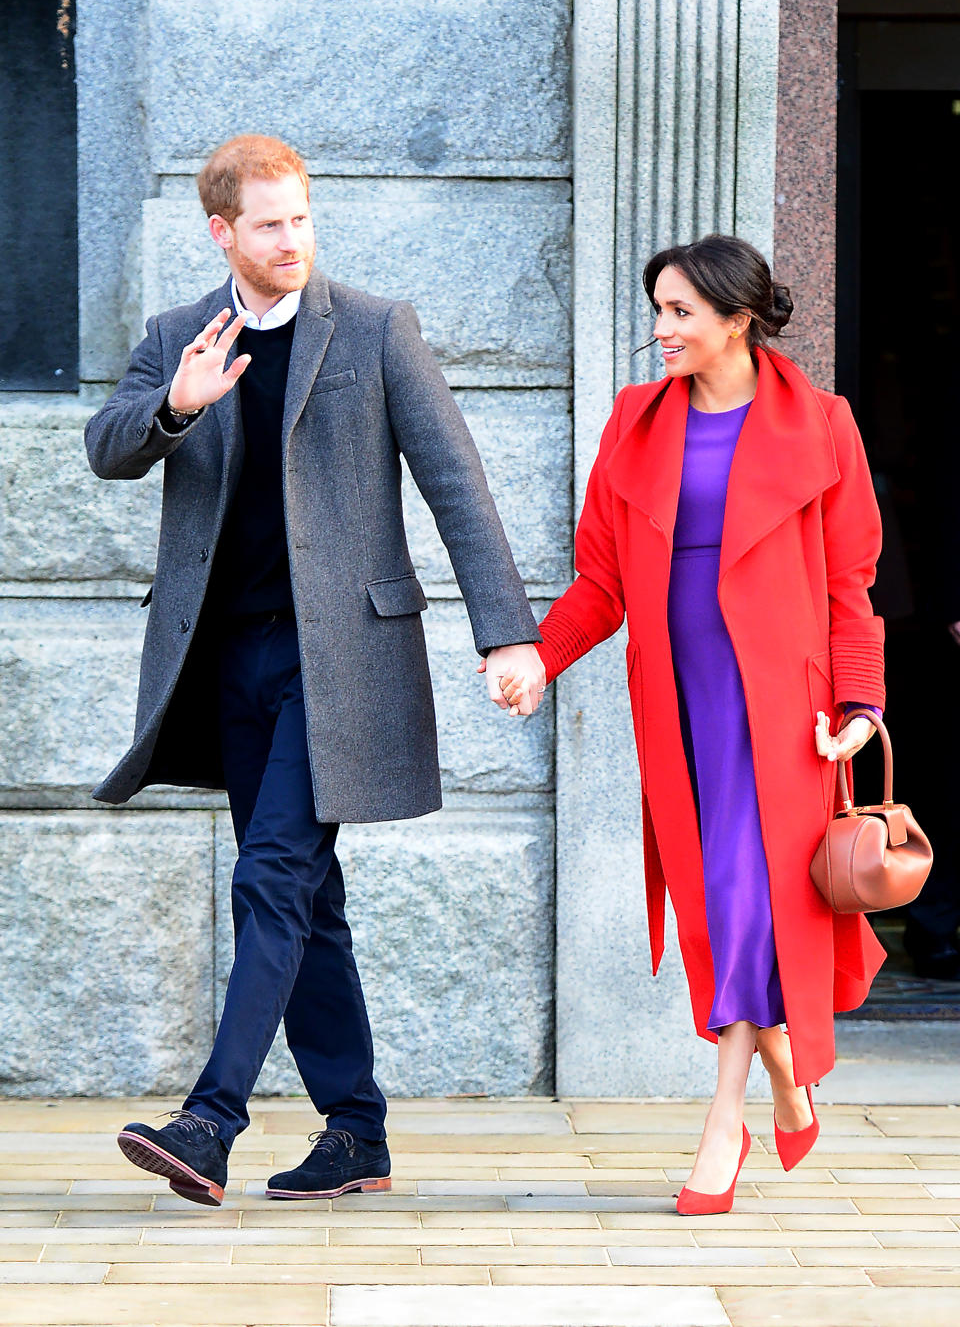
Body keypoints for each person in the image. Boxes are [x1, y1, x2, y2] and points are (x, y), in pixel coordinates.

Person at [84, 134, 545, 1207]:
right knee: (306, 895)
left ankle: (212, 1120)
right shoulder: (177, 336)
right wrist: (179, 403)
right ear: (223, 233)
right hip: (225, 660)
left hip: (339, 660)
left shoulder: (377, 328)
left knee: (272, 876)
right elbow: (106, 443)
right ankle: (357, 1130)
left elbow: (455, 481)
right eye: (270, 223)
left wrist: (507, 632)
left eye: (302, 218)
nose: (293, 239)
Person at [495, 235, 887, 1215]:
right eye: (656, 310)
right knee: (724, 905)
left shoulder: (825, 425)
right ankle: (788, 1078)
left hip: (786, 711)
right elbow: (602, 582)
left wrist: (860, 705)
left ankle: (724, 1121)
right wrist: (538, 656)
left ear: (737, 319)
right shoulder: (633, 421)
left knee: (754, 898)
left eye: (679, 312)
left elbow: (850, 583)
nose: (660, 330)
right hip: (681, 702)